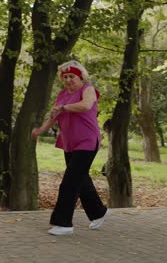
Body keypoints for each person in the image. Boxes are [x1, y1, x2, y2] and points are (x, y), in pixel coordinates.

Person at [31, 60, 110, 235]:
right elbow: (54, 116)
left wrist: (64, 107)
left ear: (80, 76)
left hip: (87, 141)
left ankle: (64, 224)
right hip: (69, 143)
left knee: (69, 182)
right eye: (65, 77)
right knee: (81, 180)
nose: (68, 80)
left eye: (71, 76)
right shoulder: (62, 95)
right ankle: (99, 212)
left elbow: (86, 105)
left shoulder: (87, 89)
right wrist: (40, 130)